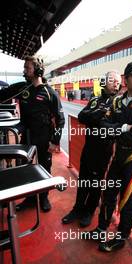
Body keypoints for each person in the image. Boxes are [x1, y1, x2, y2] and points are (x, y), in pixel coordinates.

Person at [83, 61, 132, 251]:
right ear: (125, 80)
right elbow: (102, 127)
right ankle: (101, 230)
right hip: (118, 155)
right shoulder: (117, 101)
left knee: (127, 201)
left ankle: (120, 239)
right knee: (108, 194)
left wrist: (117, 130)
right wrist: (124, 128)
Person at [0, 56, 65, 212]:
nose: (24, 71)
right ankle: (30, 199)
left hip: (44, 138)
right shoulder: (22, 88)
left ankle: (43, 198)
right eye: (24, 68)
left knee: (44, 167)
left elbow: (60, 120)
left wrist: (54, 142)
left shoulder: (50, 93)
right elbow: (2, 95)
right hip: (26, 136)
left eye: (27, 68)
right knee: (26, 167)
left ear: (38, 70)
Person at [62, 71, 122, 227]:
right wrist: (99, 115)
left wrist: (96, 119)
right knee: (83, 180)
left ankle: (89, 211)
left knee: (95, 183)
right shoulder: (95, 99)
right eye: (112, 80)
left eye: (118, 81)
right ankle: (77, 209)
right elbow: (82, 117)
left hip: (103, 151)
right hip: (88, 147)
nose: (115, 83)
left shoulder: (119, 103)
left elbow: (115, 127)